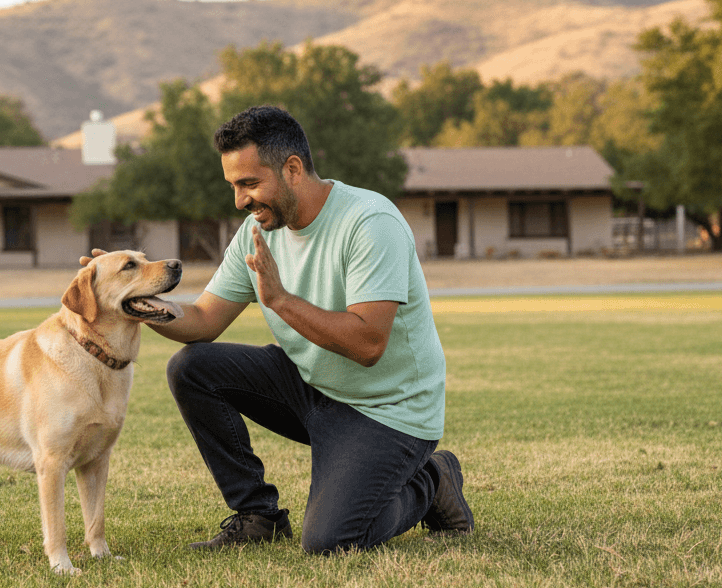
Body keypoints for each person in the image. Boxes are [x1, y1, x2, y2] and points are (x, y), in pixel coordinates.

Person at [86, 104, 473, 554]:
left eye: (249, 184)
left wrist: (282, 300)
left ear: (292, 169)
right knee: (193, 367)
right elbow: (204, 320)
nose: (240, 200)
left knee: (331, 541)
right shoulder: (257, 231)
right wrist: (138, 302)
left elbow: (369, 343)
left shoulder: (370, 223)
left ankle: (434, 479)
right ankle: (258, 516)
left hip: (388, 411)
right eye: (233, 186)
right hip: (312, 389)